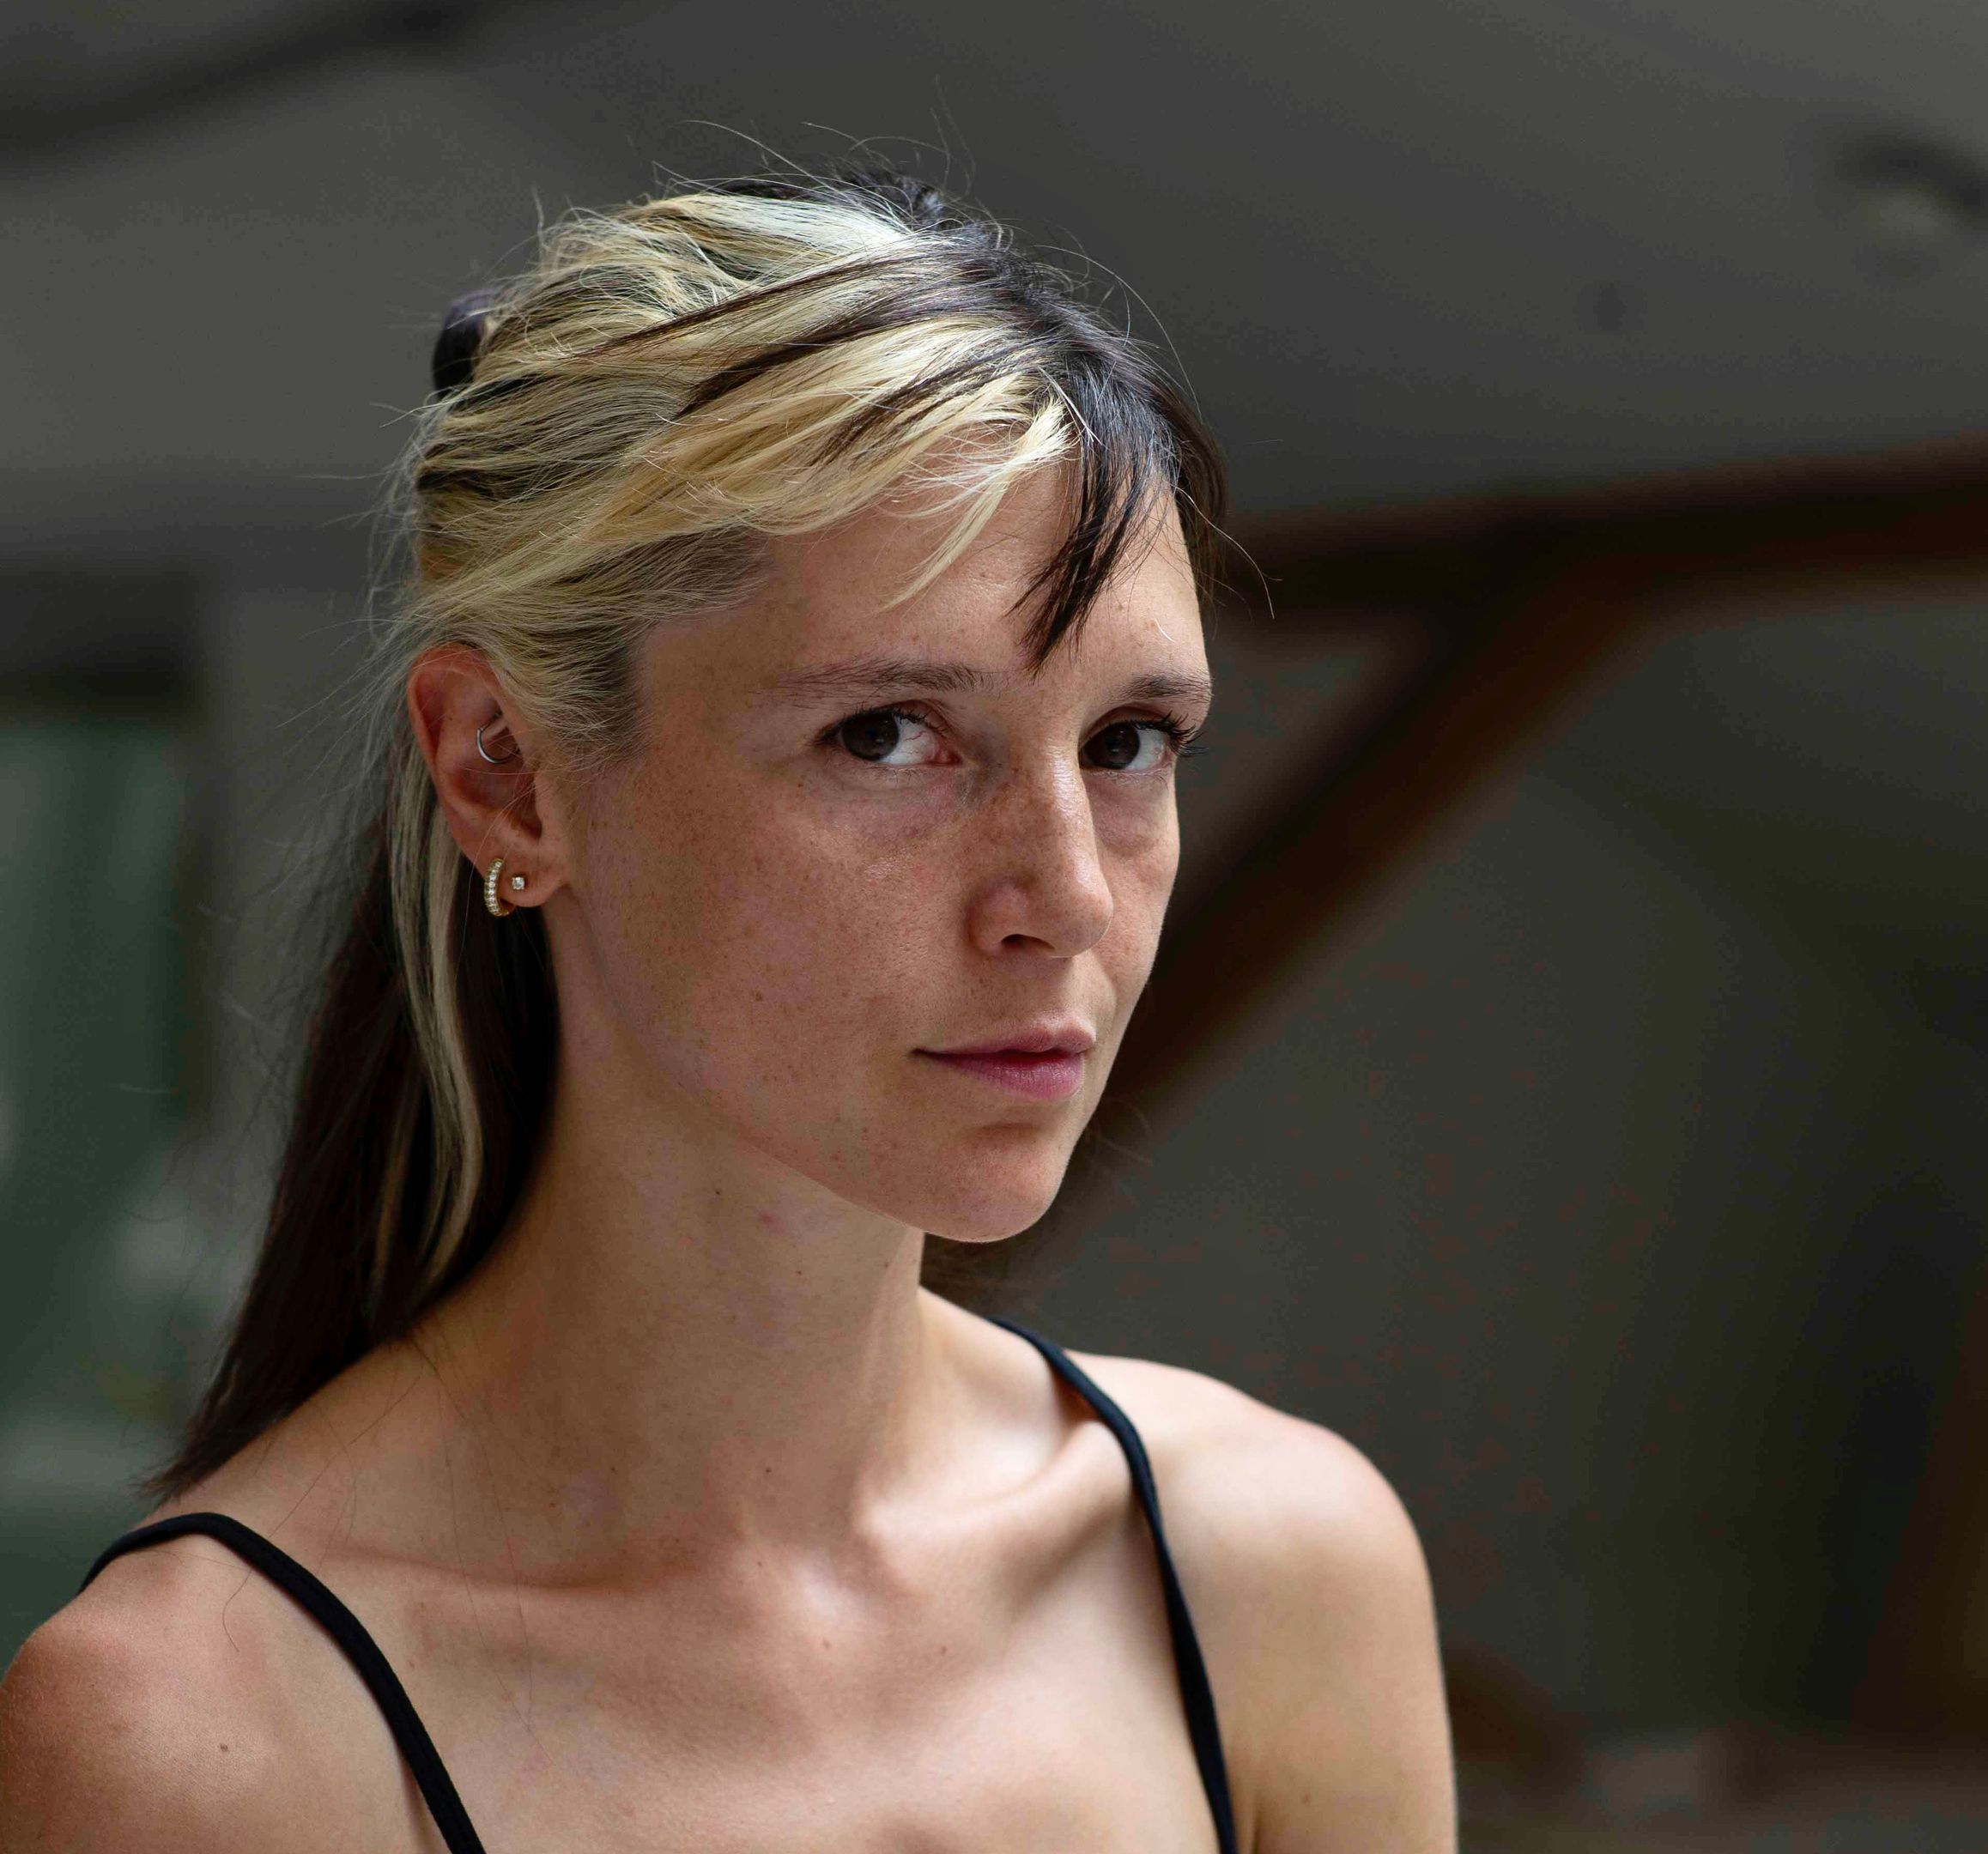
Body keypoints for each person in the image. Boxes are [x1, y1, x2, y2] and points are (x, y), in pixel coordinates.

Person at [0, 165, 1455, 1851]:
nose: (1064, 896)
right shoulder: (202, 1736)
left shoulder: (1266, 1573)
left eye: (1128, 742)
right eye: (889, 736)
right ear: (505, 773)